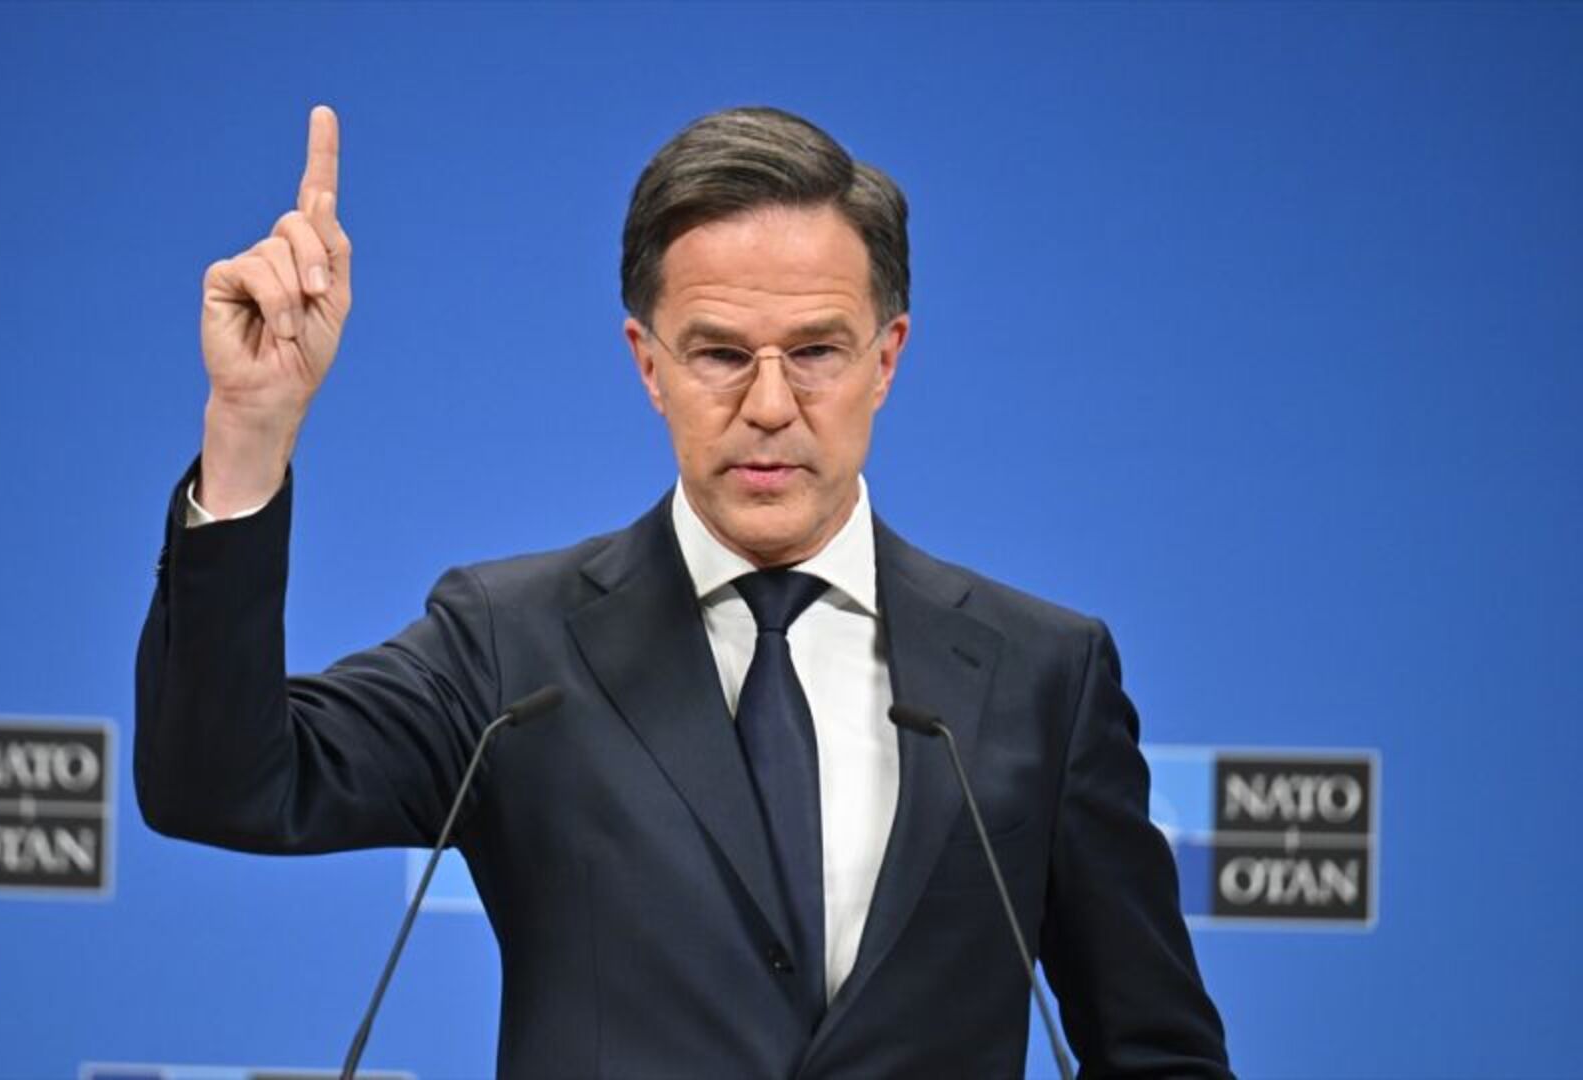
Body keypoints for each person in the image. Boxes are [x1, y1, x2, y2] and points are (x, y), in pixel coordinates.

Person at [136, 104, 1230, 1078]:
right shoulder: (512, 648)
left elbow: (1156, 1049)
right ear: (647, 362)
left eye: (816, 351)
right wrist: (250, 431)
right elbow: (220, 786)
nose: (770, 405)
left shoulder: (1040, 673)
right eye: (718, 354)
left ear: (886, 358)